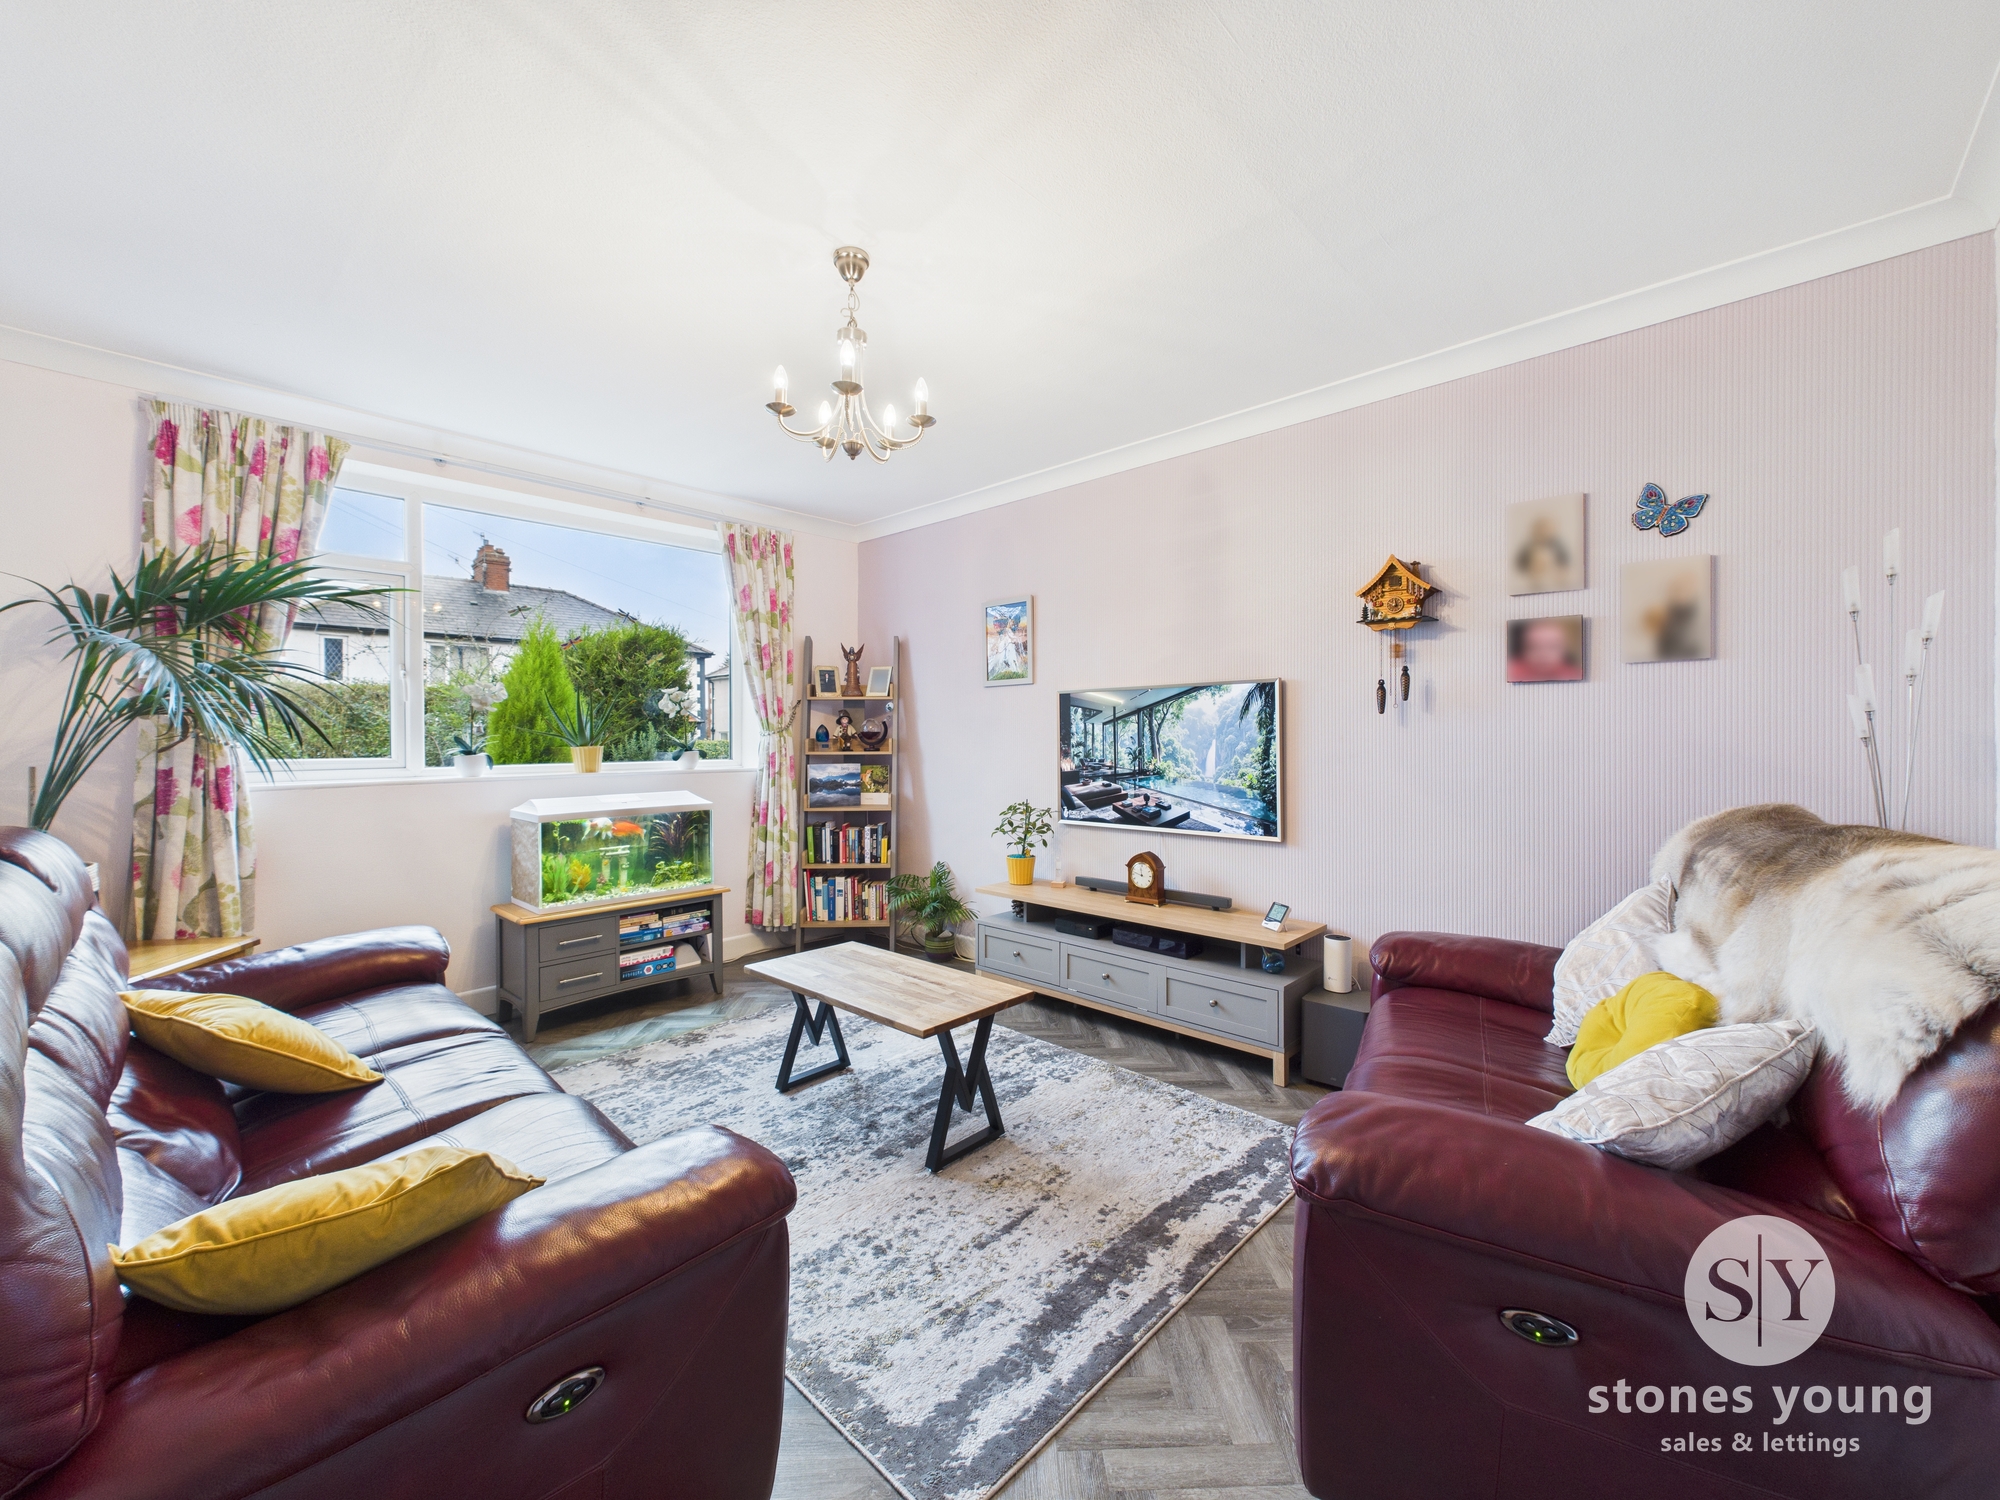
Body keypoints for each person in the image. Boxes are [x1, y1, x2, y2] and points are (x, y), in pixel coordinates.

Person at [1507, 616, 1583, 681]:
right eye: (1534, 647)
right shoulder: (1513, 671)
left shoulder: (1574, 673)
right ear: (1523, 650)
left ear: (1564, 650)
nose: (1543, 654)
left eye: (1552, 647)